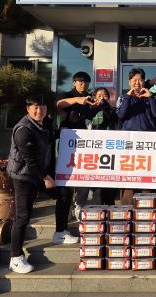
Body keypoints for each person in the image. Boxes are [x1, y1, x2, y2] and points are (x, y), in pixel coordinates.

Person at [7, 95, 78, 274]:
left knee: (64, 192)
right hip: (24, 176)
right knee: (23, 216)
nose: (39, 111)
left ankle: (60, 233)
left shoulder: (46, 123)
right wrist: (45, 177)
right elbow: (29, 160)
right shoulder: (23, 129)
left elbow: (56, 135)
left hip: (41, 173)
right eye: (35, 107)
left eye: (43, 107)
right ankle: (15, 258)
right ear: (28, 109)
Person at [116, 68, 156, 204]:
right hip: (129, 145)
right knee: (129, 181)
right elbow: (120, 114)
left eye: (140, 80)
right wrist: (128, 97)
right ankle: (126, 211)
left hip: (147, 145)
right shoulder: (123, 97)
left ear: (144, 81)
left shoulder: (152, 97)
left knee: (146, 180)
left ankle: (146, 210)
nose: (137, 83)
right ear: (129, 82)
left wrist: (150, 97)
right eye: (134, 80)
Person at [56, 71, 96, 222]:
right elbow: (59, 104)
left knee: (83, 174)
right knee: (66, 176)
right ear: (74, 82)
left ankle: (80, 205)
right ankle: (66, 208)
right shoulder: (66, 95)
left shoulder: (89, 98)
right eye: (80, 81)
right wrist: (76, 100)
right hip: (67, 142)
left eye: (86, 82)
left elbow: (92, 117)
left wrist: (98, 105)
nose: (83, 84)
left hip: (84, 143)